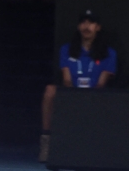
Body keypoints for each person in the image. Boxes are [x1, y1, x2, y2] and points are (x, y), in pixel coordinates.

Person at [39, 10, 117, 163]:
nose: (86, 27)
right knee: (50, 90)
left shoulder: (109, 53)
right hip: (71, 92)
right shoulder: (66, 49)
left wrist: (88, 97)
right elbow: (66, 80)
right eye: (83, 22)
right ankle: (46, 140)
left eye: (91, 23)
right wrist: (73, 96)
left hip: (95, 95)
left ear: (98, 27)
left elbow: (101, 83)